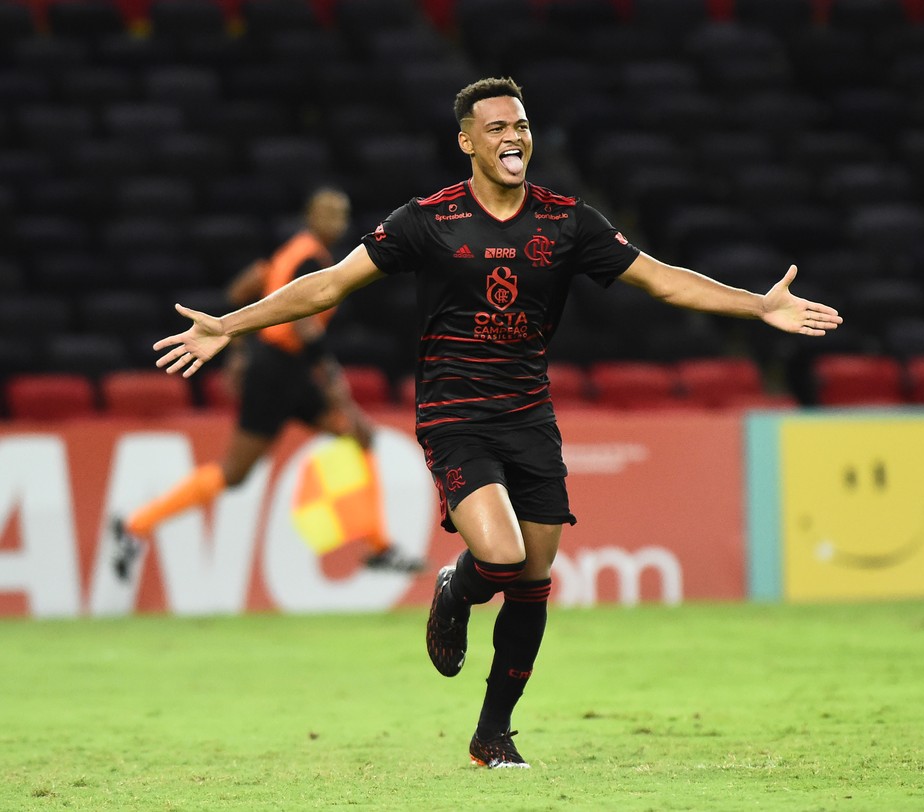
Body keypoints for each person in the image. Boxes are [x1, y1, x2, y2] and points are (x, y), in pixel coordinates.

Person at [148, 78, 843, 768]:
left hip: (529, 416)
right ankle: (455, 589)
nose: (514, 137)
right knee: (502, 557)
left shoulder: (568, 221)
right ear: (467, 142)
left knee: (535, 579)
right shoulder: (428, 220)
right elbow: (327, 284)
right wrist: (230, 326)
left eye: (521, 125)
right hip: (454, 414)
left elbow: (661, 279)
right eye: (497, 128)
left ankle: (492, 736)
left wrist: (757, 306)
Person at [111, 187, 426, 581]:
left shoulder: (291, 253)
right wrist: (328, 374)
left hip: (283, 368)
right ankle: (135, 525)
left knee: (359, 435)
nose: (337, 221)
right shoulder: (309, 257)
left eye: (342, 214)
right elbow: (301, 321)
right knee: (235, 472)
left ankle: (379, 545)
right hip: (278, 371)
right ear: (310, 217)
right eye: (328, 212)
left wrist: (240, 350)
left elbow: (244, 288)